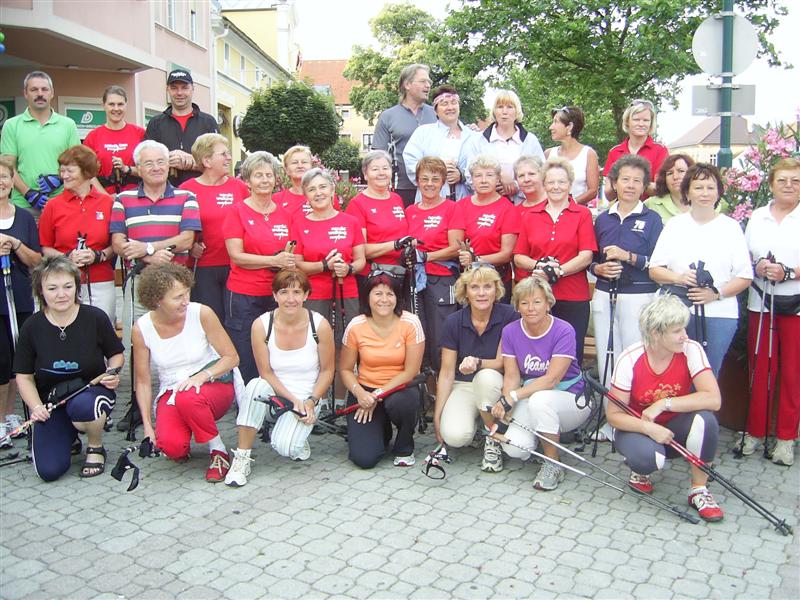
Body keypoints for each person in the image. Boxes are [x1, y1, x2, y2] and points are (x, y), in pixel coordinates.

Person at [110, 139, 201, 431]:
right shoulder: (122, 199)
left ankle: (178, 402)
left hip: (177, 284)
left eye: (161, 161)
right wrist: (152, 254)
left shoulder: (186, 196)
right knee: (140, 345)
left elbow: (187, 239)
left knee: (179, 343)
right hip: (140, 282)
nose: (156, 167)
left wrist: (145, 248)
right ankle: (138, 406)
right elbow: (118, 242)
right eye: (148, 163)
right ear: (138, 168)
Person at [608, 294, 724, 522]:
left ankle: (699, 490)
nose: (685, 336)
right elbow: (613, 415)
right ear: (656, 333)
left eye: (684, 329)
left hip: (674, 426)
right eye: (677, 331)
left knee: (706, 421)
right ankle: (640, 471)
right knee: (648, 459)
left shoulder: (691, 350)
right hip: (639, 428)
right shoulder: (630, 358)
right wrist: (648, 429)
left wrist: (664, 403)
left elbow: (714, 399)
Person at [13, 257, 123, 481]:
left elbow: (116, 355)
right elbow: (23, 377)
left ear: (76, 287)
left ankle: (95, 446)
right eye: (52, 288)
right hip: (52, 402)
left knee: (84, 406)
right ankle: (69, 436)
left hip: (91, 394)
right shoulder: (31, 326)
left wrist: (111, 373)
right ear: (41, 291)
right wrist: (36, 407)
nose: (61, 294)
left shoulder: (95, 317)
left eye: (67, 287)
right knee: (49, 471)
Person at [226, 270, 335, 486]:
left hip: (307, 395)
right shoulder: (261, 324)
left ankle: (295, 434)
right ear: (274, 296)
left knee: (286, 448)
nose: (291, 299)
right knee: (255, 386)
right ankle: (241, 458)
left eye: (297, 292)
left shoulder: (319, 325)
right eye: (284, 292)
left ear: (306, 295)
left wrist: (311, 401)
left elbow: (327, 371)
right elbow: (265, 371)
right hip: (274, 391)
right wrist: (292, 401)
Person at [132, 263, 239, 482]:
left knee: (188, 397)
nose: (186, 301)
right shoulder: (141, 328)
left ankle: (218, 451)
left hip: (213, 383)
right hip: (172, 390)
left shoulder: (202, 313)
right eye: (177, 297)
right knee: (172, 449)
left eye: (186, 292)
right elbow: (142, 381)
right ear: (157, 300)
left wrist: (201, 377)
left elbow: (232, 358)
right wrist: (148, 428)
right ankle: (191, 427)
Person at [649, 163, 752, 377]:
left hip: (719, 314)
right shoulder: (675, 225)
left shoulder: (730, 228)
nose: (704, 193)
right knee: (673, 375)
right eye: (698, 187)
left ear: (718, 192)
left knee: (707, 375)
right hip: (676, 313)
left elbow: (744, 276)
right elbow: (655, 269)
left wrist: (715, 293)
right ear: (687, 191)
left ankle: (702, 412)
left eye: (710, 187)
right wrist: (679, 278)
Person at [491, 276, 590, 490]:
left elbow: (552, 379)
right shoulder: (510, 331)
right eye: (524, 303)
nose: (531, 308)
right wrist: (506, 403)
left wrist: (515, 396)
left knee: (540, 401)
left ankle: (553, 463)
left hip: (572, 398)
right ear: (517, 306)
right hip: (533, 394)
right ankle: (542, 439)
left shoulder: (564, 330)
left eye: (537, 302)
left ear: (548, 303)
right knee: (516, 449)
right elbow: (512, 376)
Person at [740, 157, 800, 466]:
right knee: (761, 369)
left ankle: (786, 439)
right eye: (783, 180)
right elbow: (745, 256)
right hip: (761, 302)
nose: (789, 186)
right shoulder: (758, 216)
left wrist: (790, 272)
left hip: (797, 306)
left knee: (792, 373)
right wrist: (759, 265)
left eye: (795, 181)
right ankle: (755, 432)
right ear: (771, 183)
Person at [434, 265, 517, 472]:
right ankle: (478, 427)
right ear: (465, 292)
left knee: (486, 377)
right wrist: (437, 415)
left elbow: (501, 362)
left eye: (487, 286)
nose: (481, 293)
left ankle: (493, 439)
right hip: (464, 385)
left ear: (496, 289)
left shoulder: (509, 316)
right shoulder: (453, 321)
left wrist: (477, 362)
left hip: (497, 385)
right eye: (474, 287)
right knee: (453, 436)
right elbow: (446, 373)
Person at [513, 157, 597, 362]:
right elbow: (519, 257)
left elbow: (586, 255)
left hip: (573, 296)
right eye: (551, 182)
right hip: (538, 296)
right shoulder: (530, 215)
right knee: (539, 353)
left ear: (570, 184)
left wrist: (557, 271)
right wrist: (540, 266)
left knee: (569, 354)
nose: (556, 186)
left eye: (561, 182)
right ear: (544, 183)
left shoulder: (582, 213)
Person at [339, 270, 425, 468]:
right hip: (365, 391)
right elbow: (345, 369)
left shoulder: (410, 322)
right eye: (378, 293)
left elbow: (410, 371)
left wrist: (376, 395)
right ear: (367, 297)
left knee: (403, 403)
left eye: (390, 294)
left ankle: (404, 447)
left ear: (397, 297)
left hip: (399, 388)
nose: (384, 299)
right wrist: (361, 394)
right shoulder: (356, 326)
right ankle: (381, 430)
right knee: (364, 459)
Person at [222, 151, 296, 383]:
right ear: (247, 180)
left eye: (269, 175)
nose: (264, 180)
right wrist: (272, 261)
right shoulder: (236, 211)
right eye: (258, 175)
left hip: (276, 295)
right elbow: (236, 255)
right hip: (244, 294)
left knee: (274, 348)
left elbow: (290, 251)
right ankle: (247, 401)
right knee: (246, 351)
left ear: (276, 179)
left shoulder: (285, 215)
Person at [592, 155, 663, 384]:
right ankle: (609, 412)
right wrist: (599, 269)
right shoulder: (603, 219)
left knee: (634, 355)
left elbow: (659, 263)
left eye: (636, 181)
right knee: (606, 353)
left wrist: (628, 257)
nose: (630, 185)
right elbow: (591, 260)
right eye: (625, 179)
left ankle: (631, 415)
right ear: (614, 183)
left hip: (639, 296)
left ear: (644, 186)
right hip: (605, 294)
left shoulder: (653, 219)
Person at [39, 145, 116, 321]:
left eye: (70, 170)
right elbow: (45, 247)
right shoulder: (53, 205)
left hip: (100, 280)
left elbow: (116, 243)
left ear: (87, 172)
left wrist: (98, 255)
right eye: (62, 170)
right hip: (62, 282)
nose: (63, 175)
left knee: (102, 331)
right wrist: (67, 257)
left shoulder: (107, 203)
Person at [179, 133, 249, 322]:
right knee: (210, 320)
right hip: (203, 268)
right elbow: (179, 227)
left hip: (236, 266)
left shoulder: (239, 188)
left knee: (235, 319)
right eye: (223, 154)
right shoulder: (186, 190)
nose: (229, 158)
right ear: (207, 160)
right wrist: (190, 245)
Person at [404, 157, 462, 371]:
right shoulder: (410, 211)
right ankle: (424, 384)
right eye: (424, 178)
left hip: (442, 277)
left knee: (441, 331)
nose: (429, 183)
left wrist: (427, 256)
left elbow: (457, 247)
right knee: (418, 329)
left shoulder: (451, 208)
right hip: (414, 279)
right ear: (417, 181)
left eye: (435, 179)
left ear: (443, 182)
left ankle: (444, 381)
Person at [293, 168, 365, 339]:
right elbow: (297, 265)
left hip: (345, 291)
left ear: (332, 190)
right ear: (306, 196)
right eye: (312, 189)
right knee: (316, 340)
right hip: (313, 293)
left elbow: (361, 260)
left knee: (347, 340)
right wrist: (324, 266)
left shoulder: (350, 222)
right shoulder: (298, 224)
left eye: (323, 187)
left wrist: (348, 268)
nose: (318, 193)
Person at [0, 156, 42, 447]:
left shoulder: (25, 217)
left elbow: (35, 260)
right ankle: (0, 420)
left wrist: (15, 244)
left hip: (20, 298)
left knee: (18, 358)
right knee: (1, 361)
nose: (0, 182)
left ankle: (11, 415)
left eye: (4, 176)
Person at [0, 71, 80, 212]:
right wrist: (28, 193)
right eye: (34, 90)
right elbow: (8, 167)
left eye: (44, 89)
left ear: (52, 93)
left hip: (62, 203)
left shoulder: (68, 124)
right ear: (25, 93)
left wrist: (60, 177)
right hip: (24, 206)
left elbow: (78, 163)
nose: (40, 94)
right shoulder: (11, 125)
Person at [452, 155, 519, 302]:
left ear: (497, 179)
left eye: (489, 175)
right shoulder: (460, 206)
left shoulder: (507, 208)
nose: (483, 180)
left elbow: (507, 254)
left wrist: (476, 259)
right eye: (478, 175)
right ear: (472, 179)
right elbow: (454, 244)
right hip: (467, 279)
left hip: (496, 279)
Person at [459, 90, 544, 203]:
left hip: (523, 204)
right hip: (488, 204)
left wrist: (516, 186)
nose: (504, 112)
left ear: (517, 111)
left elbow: (542, 173)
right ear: (494, 111)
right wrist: (493, 186)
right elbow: (469, 174)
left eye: (509, 107)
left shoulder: (530, 140)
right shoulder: (478, 140)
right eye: (500, 107)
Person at [372, 64, 437, 207]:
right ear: (407, 84)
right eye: (423, 81)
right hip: (402, 189)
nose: (428, 85)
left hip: (436, 188)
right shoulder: (388, 116)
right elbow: (377, 157)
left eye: (429, 82)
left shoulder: (437, 114)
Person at [144, 69, 219, 186]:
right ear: (167, 89)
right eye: (174, 88)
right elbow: (146, 160)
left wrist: (193, 161)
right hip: (165, 194)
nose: (179, 93)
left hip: (202, 192)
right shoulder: (156, 123)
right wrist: (168, 159)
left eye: (184, 87)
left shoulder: (208, 122)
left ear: (192, 89)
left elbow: (219, 163)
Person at [403, 85, 476, 203]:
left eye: (453, 102)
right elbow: (412, 165)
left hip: (465, 202)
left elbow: (481, 169)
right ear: (436, 110)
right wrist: (438, 169)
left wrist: (462, 176)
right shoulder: (423, 133)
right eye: (444, 103)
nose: (450, 107)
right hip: (430, 202)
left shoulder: (474, 137)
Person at [345, 150, 410, 279]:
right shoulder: (357, 204)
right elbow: (360, 250)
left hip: (401, 271)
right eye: (375, 169)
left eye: (385, 168)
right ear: (365, 174)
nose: (381, 173)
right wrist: (396, 245)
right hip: (374, 275)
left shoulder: (397, 199)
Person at [84, 85, 145, 194]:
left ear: (126, 105)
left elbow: (149, 169)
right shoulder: (93, 136)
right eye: (111, 104)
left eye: (120, 104)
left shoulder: (140, 133)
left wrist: (127, 169)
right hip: (104, 199)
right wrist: (105, 197)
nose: (116, 109)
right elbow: (87, 173)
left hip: (136, 198)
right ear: (104, 106)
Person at [603, 99, 668, 201]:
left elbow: (660, 189)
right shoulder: (615, 152)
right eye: (636, 119)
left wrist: (624, 182)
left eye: (646, 120)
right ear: (627, 121)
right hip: (622, 210)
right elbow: (608, 194)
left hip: (651, 210)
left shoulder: (660, 150)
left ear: (651, 123)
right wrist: (643, 183)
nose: (641, 124)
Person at [544, 106, 599, 205]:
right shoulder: (548, 154)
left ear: (569, 126)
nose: (551, 127)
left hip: (577, 214)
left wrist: (569, 205)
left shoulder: (588, 154)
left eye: (556, 122)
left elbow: (593, 191)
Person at [273, 145, 342, 215]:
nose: (300, 166)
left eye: (304, 162)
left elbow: (337, 220)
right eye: (294, 162)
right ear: (286, 170)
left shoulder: (326, 196)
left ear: (311, 166)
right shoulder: (277, 199)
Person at [512, 155, 545, 283]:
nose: (526, 179)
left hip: (555, 278)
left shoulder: (554, 205)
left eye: (531, 174)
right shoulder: (515, 211)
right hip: (524, 282)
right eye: (521, 176)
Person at [645, 154, 695, 223]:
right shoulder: (651, 204)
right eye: (670, 173)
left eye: (681, 171)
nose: (675, 177)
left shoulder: (706, 202)